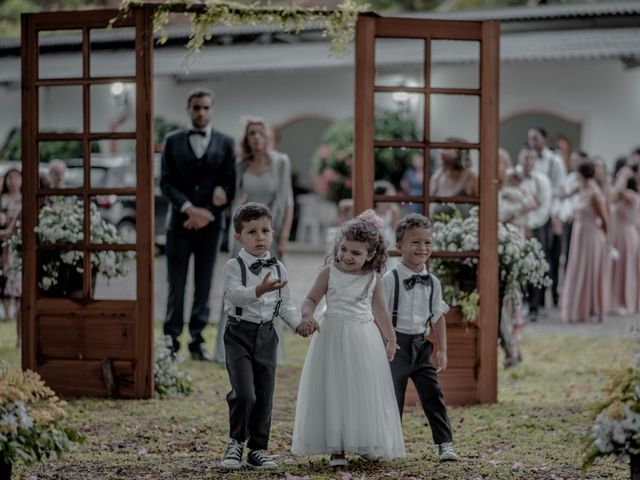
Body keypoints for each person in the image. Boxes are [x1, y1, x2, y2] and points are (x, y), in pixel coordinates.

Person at [292, 210, 405, 467]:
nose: (347, 256)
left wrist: (389, 337)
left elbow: (380, 310)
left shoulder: (372, 279)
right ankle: (337, 447)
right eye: (344, 249)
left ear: (371, 255)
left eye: (356, 253)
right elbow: (310, 300)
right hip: (331, 334)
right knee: (335, 388)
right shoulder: (329, 273)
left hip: (363, 337)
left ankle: (365, 441)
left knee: (363, 389)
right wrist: (308, 315)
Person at [220, 202, 318, 470]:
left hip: (266, 335)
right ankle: (236, 442)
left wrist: (298, 325)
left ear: (273, 233)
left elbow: (284, 304)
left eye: (265, 231)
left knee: (264, 394)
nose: (260, 237)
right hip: (239, 334)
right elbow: (233, 295)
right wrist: (259, 291)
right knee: (245, 393)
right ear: (238, 237)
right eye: (251, 232)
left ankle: (258, 449)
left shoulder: (278, 268)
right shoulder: (234, 266)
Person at [160, 88, 236, 360]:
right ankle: (170, 341)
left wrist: (209, 212)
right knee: (176, 284)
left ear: (212, 109)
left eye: (206, 107)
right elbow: (165, 182)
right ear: (188, 109)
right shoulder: (171, 141)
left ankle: (197, 340)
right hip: (178, 224)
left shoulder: (226, 143)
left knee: (204, 283)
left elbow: (230, 183)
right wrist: (189, 209)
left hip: (211, 226)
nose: (201, 112)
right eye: (196, 108)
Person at [214, 117, 295, 365]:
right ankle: (225, 350)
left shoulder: (281, 162)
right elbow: (232, 196)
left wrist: (282, 237)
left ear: (267, 136)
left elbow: (287, 202)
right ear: (246, 139)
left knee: (273, 290)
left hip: (269, 233)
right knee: (237, 284)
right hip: (244, 234)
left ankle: (271, 351)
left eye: (260, 133)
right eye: (251, 134)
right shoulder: (241, 165)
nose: (256, 138)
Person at [381, 213, 460, 462]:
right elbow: (378, 314)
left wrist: (442, 349)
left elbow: (438, 316)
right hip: (395, 346)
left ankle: (445, 443)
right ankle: (390, 444)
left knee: (433, 394)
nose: (422, 248)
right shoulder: (389, 279)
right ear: (399, 247)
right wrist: (385, 343)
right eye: (415, 242)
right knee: (392, 397)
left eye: (427, 242)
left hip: (421, 346)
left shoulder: (434, 282)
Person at [560, 161, 610, 323]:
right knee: (577, 269)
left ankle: (590, 309)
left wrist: (607, 241)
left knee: (588, 270)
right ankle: (576, 308)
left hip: (591, 236)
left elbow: (603, 218)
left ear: (581, 173)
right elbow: (566, 195)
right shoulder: (581, 187)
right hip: (579, 234)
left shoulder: (594, 192)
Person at [518, 147, 552, 321]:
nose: (528, 162)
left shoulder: (542, 180)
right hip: (517, 226)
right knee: (520, 265)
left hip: (538, 227)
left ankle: (535, 305)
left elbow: (545, 207)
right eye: (525, 158)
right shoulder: (513, 176)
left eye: (531, 159)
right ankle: (521, 302)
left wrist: (531, 225)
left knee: (537, 265)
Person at [609, 159, 639, 315]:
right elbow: (612, 196)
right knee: (617, 270)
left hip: (628, 237)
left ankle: (627, 301)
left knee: (627, 269)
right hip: (617, 235)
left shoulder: (632, 196)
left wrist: (624, 175)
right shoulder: (619, 197)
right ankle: (615, 300)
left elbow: (618, 190)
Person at [0, 168, 22, 345]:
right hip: (5, 243)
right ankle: (7, 312)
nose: (13, 182)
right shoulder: (2, 199)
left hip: (19, 245)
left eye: (16, 178)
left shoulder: (25, 199)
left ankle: (16, 317)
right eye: (10, 178)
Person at [429, 139, 478, 219]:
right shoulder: (436, 178)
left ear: (461, 152)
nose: (441, 151)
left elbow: (483, 208)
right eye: (442, 148)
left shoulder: (471, 176)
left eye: (447, 148)